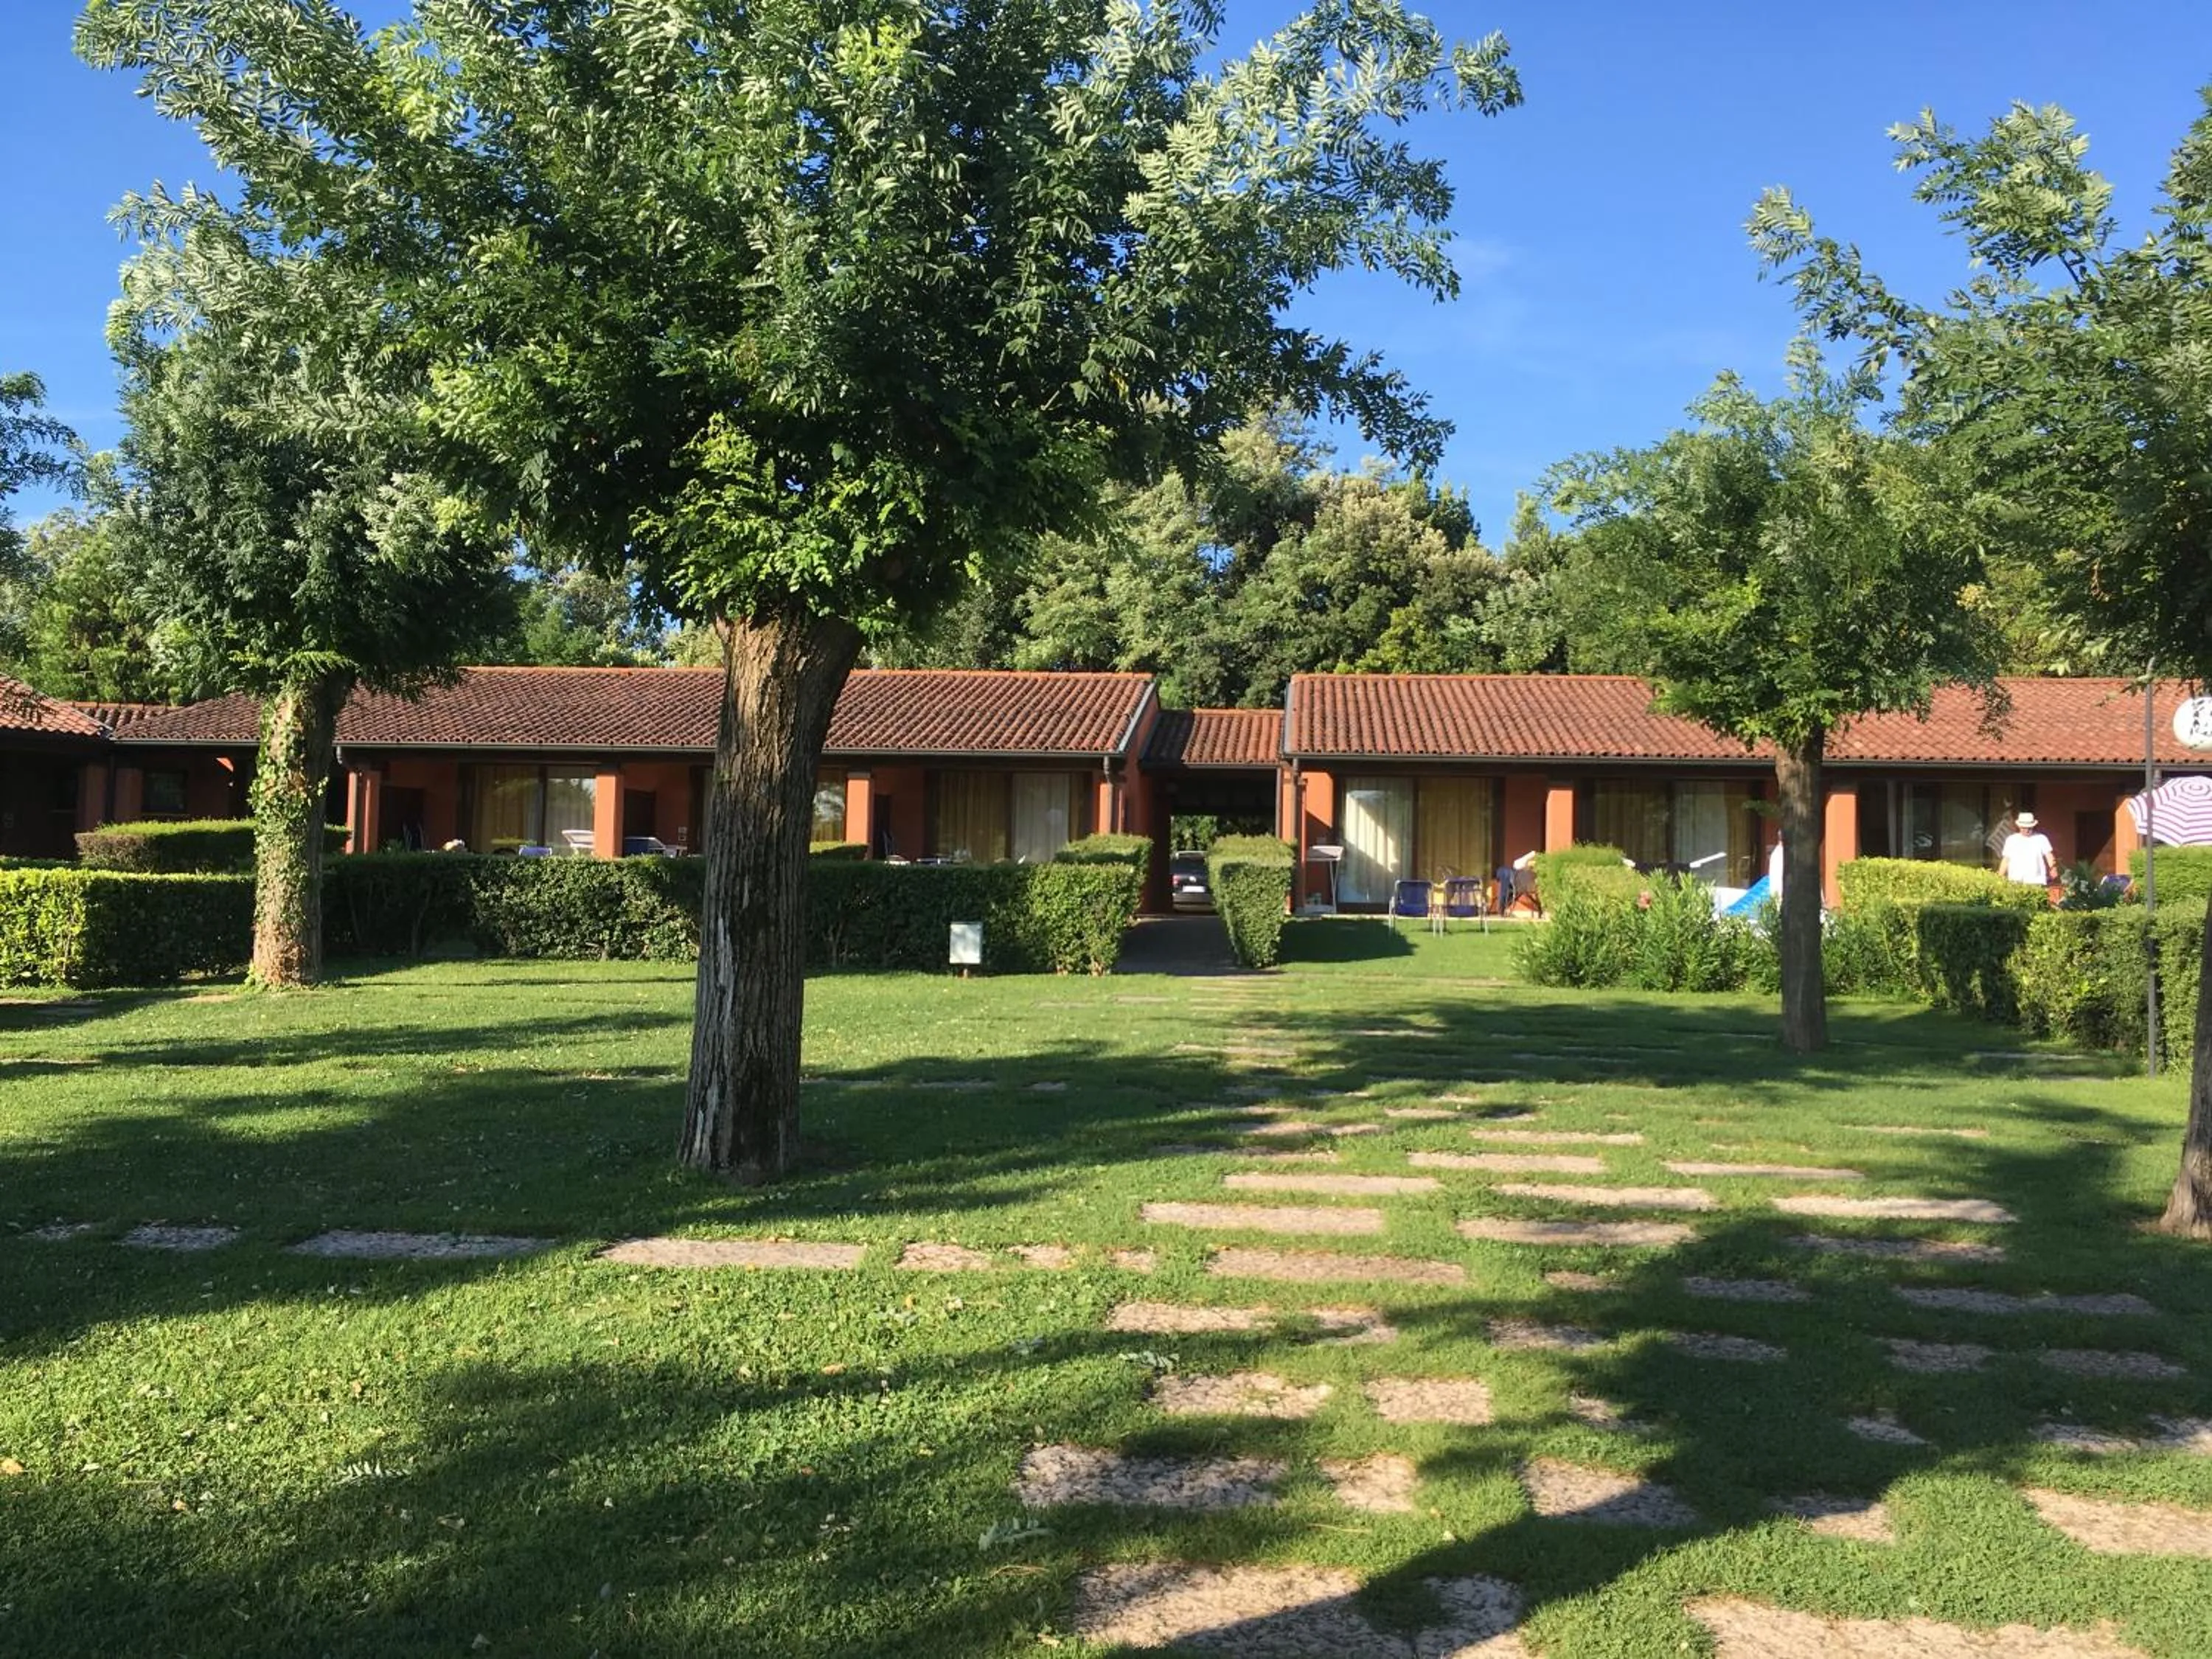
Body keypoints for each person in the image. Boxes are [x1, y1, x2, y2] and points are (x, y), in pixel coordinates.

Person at [1997, 811, 2056, 886]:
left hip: (2036, 881)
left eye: (2029, 828)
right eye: (2024, 828)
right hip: (2015, 882)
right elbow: (2006, 860)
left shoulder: (2041, 838)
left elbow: (2049, 855)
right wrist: (1999, 878)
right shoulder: (2011, 840)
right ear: (2019, 827)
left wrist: (2053, 868)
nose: (2027, 830)